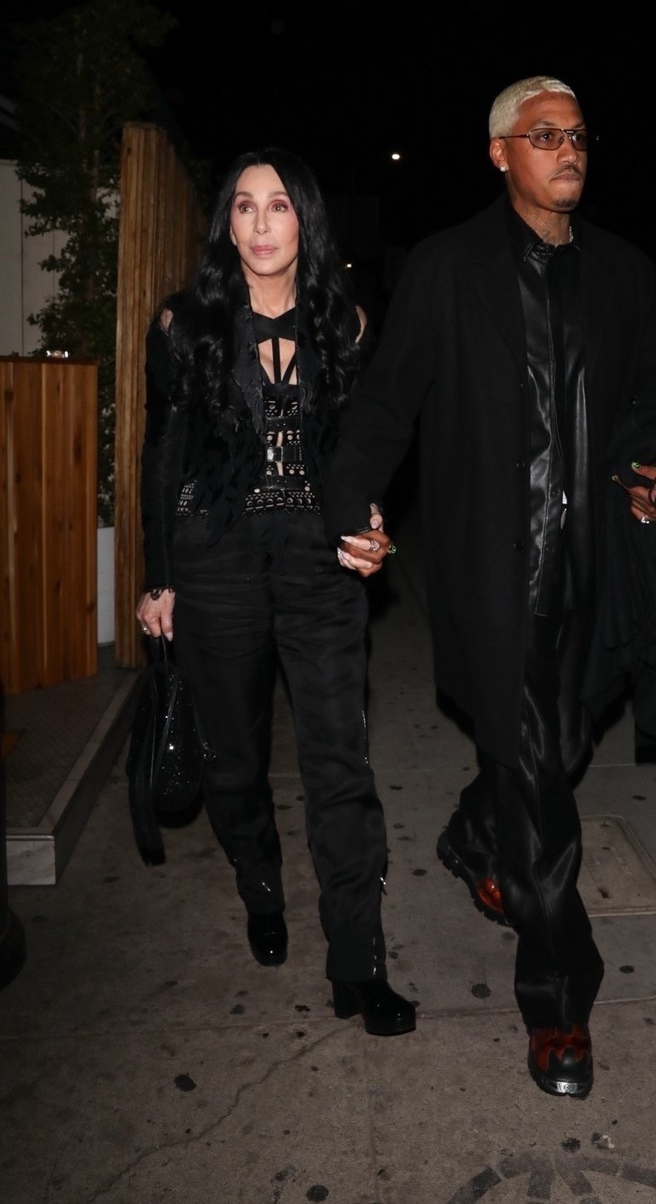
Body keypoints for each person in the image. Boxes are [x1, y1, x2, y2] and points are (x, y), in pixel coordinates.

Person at [323, 75, 656, 1095]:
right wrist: (349, 502)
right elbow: (386, 404)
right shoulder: (447, 269)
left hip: (594, 569)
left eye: (577, 135)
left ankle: (470, 834)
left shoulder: (624, 274)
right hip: (492, 572)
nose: (567, 149)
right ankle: (559, 994)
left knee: (555, 751)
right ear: (499, 153)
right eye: (543, 135)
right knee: (535, 769)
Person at [135, 146, 415, 1037]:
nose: (261, 223)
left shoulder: (347, 325)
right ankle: (260, 885)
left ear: (306, 222)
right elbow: (161, 456)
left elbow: (362, 451)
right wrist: (157, 578)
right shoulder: (184, 324)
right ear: (227, 222)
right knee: (236, 763)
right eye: (245, 206)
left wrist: (371, 525)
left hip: (318, 565)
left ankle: (357, 960)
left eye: (280, 205)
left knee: (340, 764)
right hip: (214, 560)